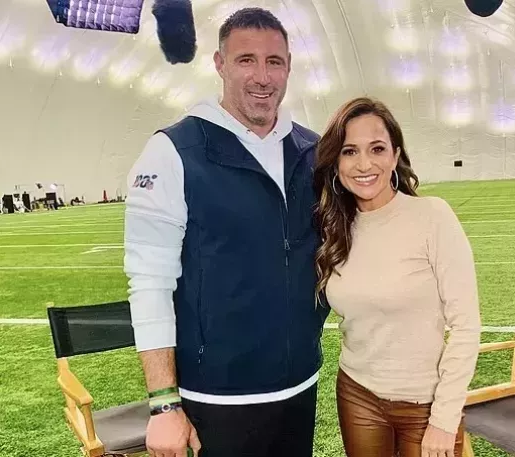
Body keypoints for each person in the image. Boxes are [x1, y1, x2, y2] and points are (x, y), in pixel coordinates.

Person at [123, 7, 329, 457]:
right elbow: (149, 281)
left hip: (299, 385)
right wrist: (164, 404)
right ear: (220, 64)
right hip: (216, 398)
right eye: (246, 60)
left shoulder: (314, 150)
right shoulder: (174, 151)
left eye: (274, 62)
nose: (262, 76)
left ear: (289, 67)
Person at [313, 97, 481, 457]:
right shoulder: (334, 227)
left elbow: (466, 325)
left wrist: (444, 419)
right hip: (357, 394)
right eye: (349, 151)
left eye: (377, 149)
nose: (364, 164)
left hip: (426, 404)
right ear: (336, 162)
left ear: (395, 156)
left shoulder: (432, 216)